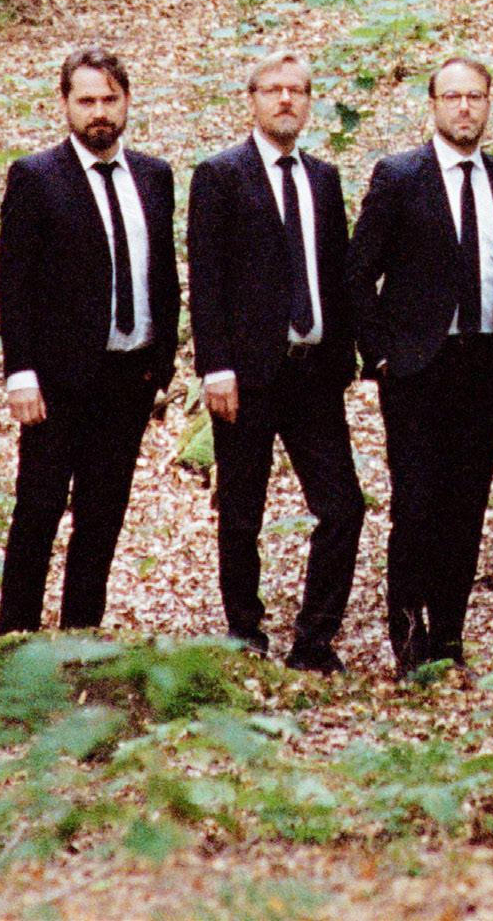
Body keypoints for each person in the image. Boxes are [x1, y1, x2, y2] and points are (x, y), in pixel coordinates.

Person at [348, 55, 493, 675]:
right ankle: (408, 642)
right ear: (433, 105)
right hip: (417, 369)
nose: (465, 107)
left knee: (466, 506)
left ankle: (450, 637)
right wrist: (380, 353)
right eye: (453, 96)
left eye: (475, 96)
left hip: (486, 364)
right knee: (417, 505)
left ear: (489, 103)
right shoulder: (400, 176)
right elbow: (357, 273)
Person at [188, 50, 364, 671]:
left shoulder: (324, 179)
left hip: (314, 373)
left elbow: (338, 272)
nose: (285, 99)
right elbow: (206, 279)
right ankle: (245, 632)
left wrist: (345, 355)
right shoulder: (220, 175)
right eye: (273, 89)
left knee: (343, 507)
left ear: (309, 101)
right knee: (242, 511)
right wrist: (215, 367)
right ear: (252, 98)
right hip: (246, 375)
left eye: (297, 90)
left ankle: (315, 640)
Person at [0, 45, 179, 635]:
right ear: (66, 104)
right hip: (57, 381)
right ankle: (16, 640)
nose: (99, 112)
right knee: (39, 510)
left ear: (127, 102)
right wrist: (20, 372)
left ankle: (82, 639)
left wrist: (163, 362)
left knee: (102, 515)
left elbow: (163, 273)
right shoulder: (36, 177)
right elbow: (14, 281)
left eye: (109, 99)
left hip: (129, 376)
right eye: (87, 100)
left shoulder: (154, 176)